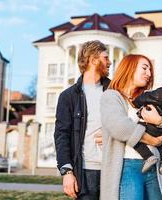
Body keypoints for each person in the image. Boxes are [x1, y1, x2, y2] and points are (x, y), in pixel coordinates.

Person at [100, 54, 162, 200]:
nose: (149, 74)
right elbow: (119, 127)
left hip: (154, 167)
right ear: (129, 68)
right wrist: (152, 140)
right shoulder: (112, 96)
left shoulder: (148, 97)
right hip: (128, 167)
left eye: (150, 70)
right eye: (144, 68)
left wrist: (160, 121)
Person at [54, 40, 111, 199]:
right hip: (85, 173)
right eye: (105, 58)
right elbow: (61, 135)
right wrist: (66, 172)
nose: (109, 62)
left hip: (113, 170)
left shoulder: (115, 91)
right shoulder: (68, 96)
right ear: (93, 60)